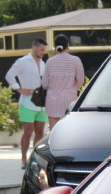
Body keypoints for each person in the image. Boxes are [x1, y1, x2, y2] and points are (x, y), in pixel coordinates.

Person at [7, 37, 47, 168]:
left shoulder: (43, 63)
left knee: (40, 131)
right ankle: (24, 159)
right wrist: (18, 89)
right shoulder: (22, 62)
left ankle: (36, 159)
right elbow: (9, 75)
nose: (43, 52)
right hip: (27, 102)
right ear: (34, 47)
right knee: (28, 132)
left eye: (44, 50)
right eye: (41, 50)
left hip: (41, 102)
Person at [40, 34, 84, 130]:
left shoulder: (50, 61)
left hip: (52, 101)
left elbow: (44, 84)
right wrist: (72, 87)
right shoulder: (75, 60)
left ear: (55, 46)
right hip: (69, 100)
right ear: (67, 45)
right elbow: (80, 81)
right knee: (69, 130)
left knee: (53, 132)